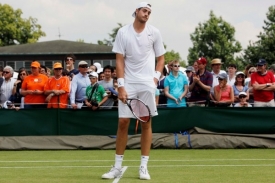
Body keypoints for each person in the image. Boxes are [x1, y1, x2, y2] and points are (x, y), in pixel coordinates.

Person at [101, 2, 165, 180]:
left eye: (149, 12)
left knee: (146, 123)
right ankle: (117, 166)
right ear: (136, 11)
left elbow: (161, 58)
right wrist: (120, 85)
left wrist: (155, 79)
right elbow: (119, 60)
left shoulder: (155, 32)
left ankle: (143, 167)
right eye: (144, 11)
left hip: (147, 85)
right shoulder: (123, 32)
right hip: (128, 83)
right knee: (123, 122)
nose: (147, 14)